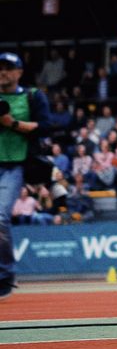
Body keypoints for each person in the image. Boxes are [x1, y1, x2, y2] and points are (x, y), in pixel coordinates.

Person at [0, 52, 51, 300]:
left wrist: (11, 123)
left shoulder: (31, 96)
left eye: (8, 68)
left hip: (14, 165)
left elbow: (45, 126)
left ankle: (5, 274)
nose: (3, 72)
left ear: (19, 71)